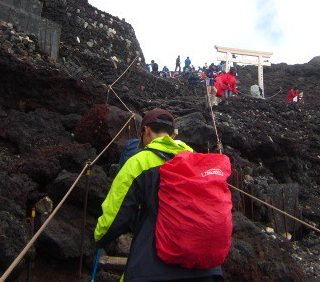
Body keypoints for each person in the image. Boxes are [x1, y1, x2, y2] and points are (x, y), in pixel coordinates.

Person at [94, 109, 223, 282]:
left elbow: (116, 214)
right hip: (205, 269)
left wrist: (98, 238)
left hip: (153, 266)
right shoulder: (196, 160)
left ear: (146, 130)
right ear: (174, 134)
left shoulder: (140, 161)